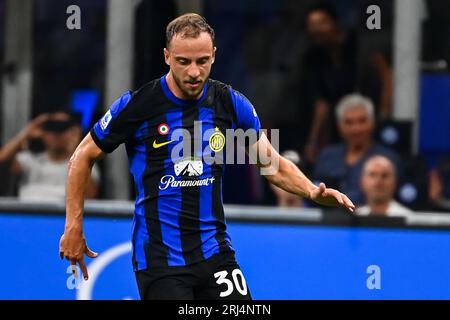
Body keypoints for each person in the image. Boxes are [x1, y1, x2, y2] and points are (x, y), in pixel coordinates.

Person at [59, 13, 354, 300]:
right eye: (183, 62)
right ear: (166, 57)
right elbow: (83, 155)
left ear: (213, 55)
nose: (194, 72)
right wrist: (73, 226)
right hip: (161, 260)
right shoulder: (138, 105)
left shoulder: (230, 103)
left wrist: (312, 191)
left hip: (215, 254)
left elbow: (272, 165)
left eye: (202, 61)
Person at [300, 2, 393, 163]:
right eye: (312, 25)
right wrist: (313, 140)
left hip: (371, 116)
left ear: (335, 23)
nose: (316, 30)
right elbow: (323, 101)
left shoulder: (359, 43)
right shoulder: (317, 58)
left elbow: (386, 75)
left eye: (321, 23)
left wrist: (384, 114)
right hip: (342, 123)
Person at [313, 94, 401, 206]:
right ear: (339, 126)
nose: (356, 129)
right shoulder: (327, 156)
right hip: (330, 220)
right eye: (349, 122)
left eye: (362, 121)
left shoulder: (388, 158)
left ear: (372, 123)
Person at [0, 112, 99, 201]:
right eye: (50, 127)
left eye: (62, 128)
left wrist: (75, 150)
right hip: (28, 217)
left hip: (61, 218)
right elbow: (2, 160)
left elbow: (91, 196)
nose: (55, 134)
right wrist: (26, 133)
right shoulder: (29, 160)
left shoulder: (84, 163)